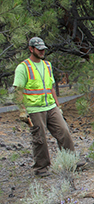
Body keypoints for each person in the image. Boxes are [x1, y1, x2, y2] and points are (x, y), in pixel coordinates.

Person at [13, 37, 81, 177]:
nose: (42, 51)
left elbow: (51, 88)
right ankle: (41, 168)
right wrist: (22, 111)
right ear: (31, 49)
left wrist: (58, 106)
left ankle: (71, 161)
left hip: (50, 106)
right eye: (39, 49)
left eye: (44, 49)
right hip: (34, 109)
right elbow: (18, 90)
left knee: (64, 131)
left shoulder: (47, 65)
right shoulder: (23, 67)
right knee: (40, 139)